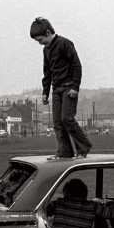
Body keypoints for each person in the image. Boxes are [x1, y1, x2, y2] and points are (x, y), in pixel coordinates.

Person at [30, 17, 92, 160]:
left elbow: (77, 65)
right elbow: (47, 72)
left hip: (69, 88)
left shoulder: (65, 43)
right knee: (57, 122)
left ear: (47, 32)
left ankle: (83, 148)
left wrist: (76, 87)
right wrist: (45, 92)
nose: (40, 43)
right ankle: (64, 152)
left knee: (67, 118)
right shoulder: (46, 50)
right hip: (56, 90)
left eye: (40, 40)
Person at [46, 179, 114, 228]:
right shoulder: (92, 206)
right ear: (85, 194)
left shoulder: (59, 203)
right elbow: (113, 213)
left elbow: (45, 210)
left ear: (67, 193)